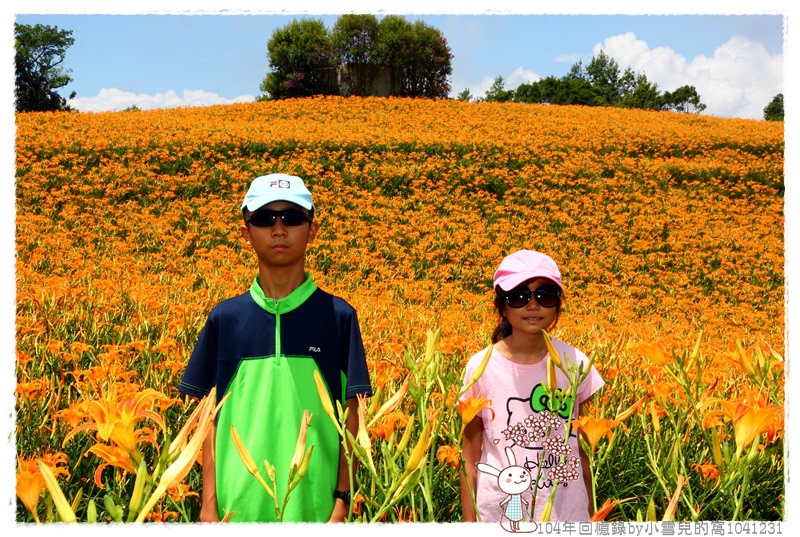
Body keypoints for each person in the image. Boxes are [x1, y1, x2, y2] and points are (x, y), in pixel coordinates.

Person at [178, 173, 372, 523]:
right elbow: (208, 420)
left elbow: (352, 416)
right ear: (246, 232)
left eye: (293, 218)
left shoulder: (339, 317)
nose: (279, 229)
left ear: (312, 230)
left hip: (316, 512)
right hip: (234, 512)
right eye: (265, 219)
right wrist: (209, 506)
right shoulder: (225, 318)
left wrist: (342, 502)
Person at [460, 250, 604, 523]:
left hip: (568, 514)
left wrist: (592, 517)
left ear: (557, 305)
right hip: (501, 513)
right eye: (519, 296)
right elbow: (469, 460)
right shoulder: (481, 367)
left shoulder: (575, 363)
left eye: (545, 295)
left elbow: (583, 450)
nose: (533, 305)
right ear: (501, 306)